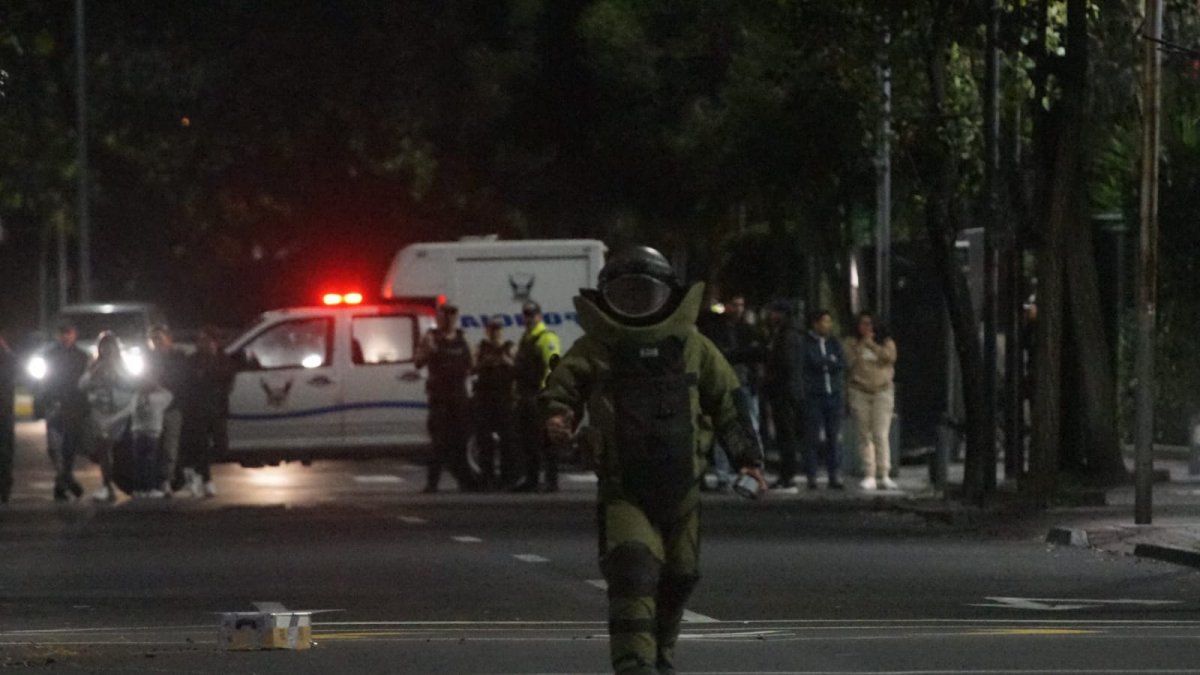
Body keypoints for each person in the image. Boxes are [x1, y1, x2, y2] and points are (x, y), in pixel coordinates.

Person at [539, 246, 766, 675]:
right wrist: (556, 417)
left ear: (669, 295)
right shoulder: (596, 347)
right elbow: (560, 389)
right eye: (626, 294)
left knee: (681, 575)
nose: (637, 302)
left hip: (683, 487)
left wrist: (748, 460)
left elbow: (728, 403)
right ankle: (634, 664)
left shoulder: (693, 346)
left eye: (645, 293)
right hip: (624, 487)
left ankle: (661, 653)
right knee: (632, 570)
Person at [697, 294, 766, 491]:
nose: (738, 309)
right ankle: (724, 476)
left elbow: (758, 352)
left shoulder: (747, 329)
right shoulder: (715, 329)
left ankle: (749, 467)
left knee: (748, 426)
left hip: (746, 383)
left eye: (741, 305)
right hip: (730, 383)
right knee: (725, 426)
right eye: (734, 305)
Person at [414, 304, 477, 493]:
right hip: (440, 397)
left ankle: (465, 481)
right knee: (439, 442)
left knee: (460, 441)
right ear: (439, 318)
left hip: (459, 396)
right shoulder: (431, 337)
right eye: (445, 316)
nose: (448, 319)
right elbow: (418, 362)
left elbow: (472, 364)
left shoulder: (462, 337)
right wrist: (429, 350)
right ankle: (432, 483)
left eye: (452, 316)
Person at [78, 331, 138, 502]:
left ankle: (121, 483)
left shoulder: (124, 365)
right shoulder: (94, 365)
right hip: (100, 413)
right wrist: (95, 373)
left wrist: (116, 374)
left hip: (119, 414)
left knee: (117, 450)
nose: (107, 350)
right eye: (104, 346)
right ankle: (106, 484)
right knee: (103, 450)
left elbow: (133, 385)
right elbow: (82, 385)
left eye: (110, 346)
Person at [509, 300, 561, 492]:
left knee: (546, 439)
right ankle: (531, 480)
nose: (529, 318)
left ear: (539, 315)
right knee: (528, 440)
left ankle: (551, 481)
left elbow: (553, 366)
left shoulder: (546, 337)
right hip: (525, 395)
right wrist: (515, 393)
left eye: (532, 315)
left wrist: (545, 391)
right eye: (526, 315)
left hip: (539, 396)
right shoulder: (526, 338)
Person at [35, 321, 90, 501]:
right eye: (62, 333)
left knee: (68, 446)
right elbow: (42, 381)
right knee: (54, 446)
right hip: (54, 402)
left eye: (69, 332)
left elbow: (86, 382)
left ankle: (63, 482)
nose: (65, 336)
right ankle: (66, 478)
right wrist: (42, 400)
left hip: (73, 405)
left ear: (75, 334)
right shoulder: (49, 355)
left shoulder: (82, 356)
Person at [844, 311, 898, 491]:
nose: (866, 327)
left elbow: (889, 358)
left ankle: (884, 473)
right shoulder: (851, 342)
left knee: (880, 433)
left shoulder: (886, 342)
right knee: (864, 434)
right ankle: (869, 473)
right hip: (859, 390)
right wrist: (861, 346)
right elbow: (848, 362)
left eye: (869, 323)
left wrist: (872, 345)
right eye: (862, 324)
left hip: (882, 391)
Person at [179, 326, 235, 498]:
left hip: (217, 409)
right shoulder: (193, 360)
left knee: (221, 446)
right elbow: (190, 381)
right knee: (201, 445)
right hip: (198, 409)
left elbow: (226, 379)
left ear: (215, 342)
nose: (203, 343)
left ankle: (195, 468)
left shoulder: (223, 359)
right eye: (201, 340)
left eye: (207, 340)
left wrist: (208, 376)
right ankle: (206, 479)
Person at [762, 300, 806, 493]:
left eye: (774, 312)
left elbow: (785, 364)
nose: (771, 316)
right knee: (785, 434)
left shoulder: (786, 335)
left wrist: (770, 380)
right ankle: (786, 475)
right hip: (788, 391)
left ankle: (787, 476)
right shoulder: (790, 334)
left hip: (784, 392)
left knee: (785, 435)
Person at [802, 309, 845, 490]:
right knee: (812, 437)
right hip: (814, 395)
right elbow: (812, 362)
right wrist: (828, 361)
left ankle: (834, 475)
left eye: (829, 321)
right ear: (816, 324)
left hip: (832, 394)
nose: (828, 325)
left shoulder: (834, 342)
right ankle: (811, 475)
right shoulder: (807, 343)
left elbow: (840, 362)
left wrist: (825, 361)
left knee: (833, 436)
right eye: (824, 321)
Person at [472, 315, 516, 491]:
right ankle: (486, 477)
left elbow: (519, 369)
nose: (495, 332)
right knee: (484, 441)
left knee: (507, 440)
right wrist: (485, 363)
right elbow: (471, 367)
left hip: (504, 399)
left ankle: (507, 478)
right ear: (487, 331)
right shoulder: (480, 347)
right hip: (484, 399)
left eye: (498, 329)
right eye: (492, 329)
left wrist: (507, 361)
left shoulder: (510, 347)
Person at [146, 326, 188, 494]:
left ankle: (167, 480)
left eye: (159, 338)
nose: (156, 342)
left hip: (172, 407)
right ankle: (154, 481)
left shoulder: (177, 358)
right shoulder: (147, 358)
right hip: (153, 408)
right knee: (152, 446)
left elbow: (182, 381)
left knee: (170, 446)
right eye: (153, 339)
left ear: (168, 339)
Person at [130, 382, 173, 498]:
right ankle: (150, 488)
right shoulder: (159, 398)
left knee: (138, 463)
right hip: (152, 434)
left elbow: (131, 411)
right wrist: (157, 386)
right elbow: (170, 395)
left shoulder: (135, 397)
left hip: (137, 433)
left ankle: (138, 489)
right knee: (150, 463)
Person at [0, 334, 15, 504]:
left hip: (4, 412)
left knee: (5, 451)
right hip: (5, 412)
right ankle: (5, 487)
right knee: (5, 451)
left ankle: (4, 487)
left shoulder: (6, 359)